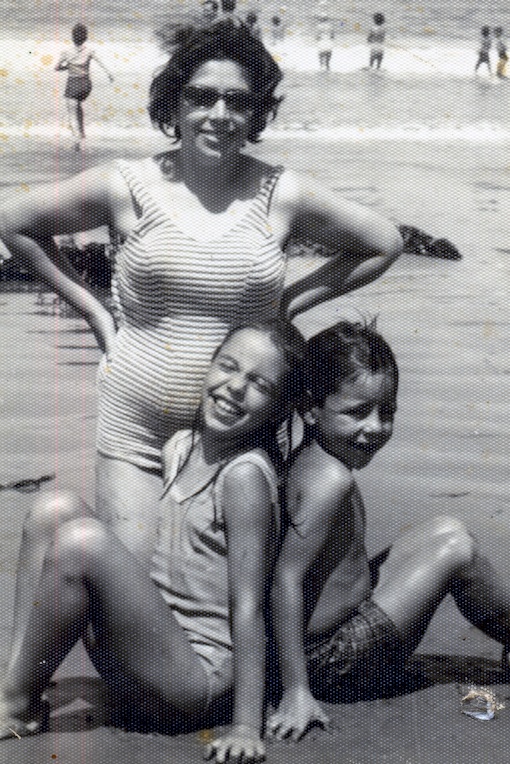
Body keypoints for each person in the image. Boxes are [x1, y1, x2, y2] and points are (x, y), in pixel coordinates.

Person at [0, 21, 404, 567]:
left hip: (239, 437)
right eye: (201, 97)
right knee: (130, 587)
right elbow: (14, 221)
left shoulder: (280, 193)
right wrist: (97, 315)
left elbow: (383, 243)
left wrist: (284, 303)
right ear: (174, 102)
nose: (219, 114)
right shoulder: (127, 185)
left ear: (257, 113)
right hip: (135, 427)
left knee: (212, 609)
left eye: (237, 101)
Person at [265, 320, 510, 741]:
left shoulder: (315, 459)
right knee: (457, 550)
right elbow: (285, 580)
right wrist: (297, 690)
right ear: (311, 407)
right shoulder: (329, 480)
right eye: (356, 412)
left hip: (328, 640)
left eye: (387, 413)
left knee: (446, 527)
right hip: (332, 665)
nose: (374, 428)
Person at [0, 320, 306, 761]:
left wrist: (245, 726)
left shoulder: (244, 477)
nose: (234, 387)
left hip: (192, 684)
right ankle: (19, 687)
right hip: (150, 653)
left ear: (279, 409)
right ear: (210, 366)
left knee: (83, 541)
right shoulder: (180, 446)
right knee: (54, 510)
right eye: (228, 366)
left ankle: (14, 705)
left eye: (259, 383)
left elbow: (249, 605)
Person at [55, 23, 114, 150]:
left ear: (72, 37)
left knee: (71, 113)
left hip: (73, 83)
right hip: (86, 85)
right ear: (85, 37)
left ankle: (77, 142)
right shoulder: (89, 51)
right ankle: (82, 134)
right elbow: (102, 64)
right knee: (78, 106)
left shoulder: (66, 52)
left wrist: (67, 66)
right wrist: (109, 74)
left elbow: (56, 68)